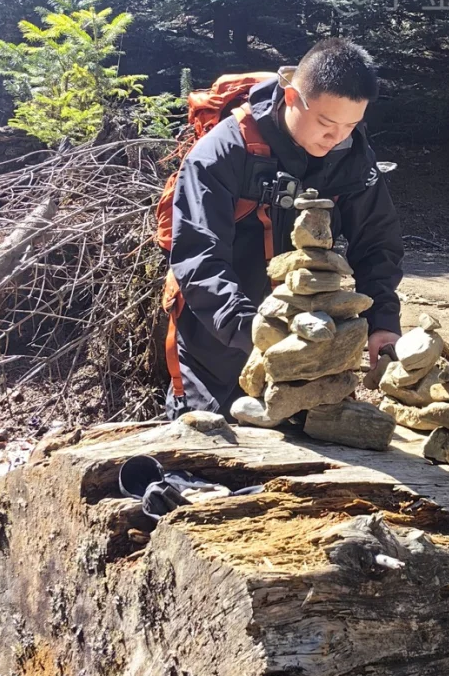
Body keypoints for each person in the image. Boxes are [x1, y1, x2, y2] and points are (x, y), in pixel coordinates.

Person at [167, 37, 403, 415]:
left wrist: (384, 322)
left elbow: (377, 243)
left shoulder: (352, 155)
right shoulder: (223, 152)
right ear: (292, 98)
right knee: (207, 454)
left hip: (312, 344)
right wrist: (256, 334)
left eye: (351, 124)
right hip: (219, 339)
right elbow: (199, 259)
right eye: (327, 123)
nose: (337, 137)